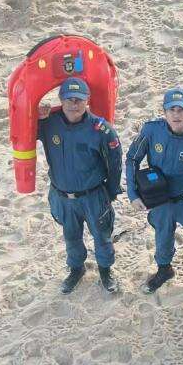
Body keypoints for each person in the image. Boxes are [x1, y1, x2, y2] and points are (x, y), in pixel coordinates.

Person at [125, 87, 183, 306]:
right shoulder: (151, 131)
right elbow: (132, 159)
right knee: (162, 238)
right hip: (160, 200)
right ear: (164, 112)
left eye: (181, 110)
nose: (176, 114)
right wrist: (133, 193)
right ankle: (164, 270)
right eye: (172, 110)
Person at [37, 77, 123, 294]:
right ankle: (76, 269)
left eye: (79, 99)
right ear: (61, 99)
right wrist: (36, 116)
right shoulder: (48, 123)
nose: (74, 104)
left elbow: (115, 163)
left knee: (102, 236)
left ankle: (105, 271)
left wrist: (111, 191)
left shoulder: (101, 130)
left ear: (87, 101)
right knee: (71, 236)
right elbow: (22, 133)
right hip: (63, 197)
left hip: (93, 196)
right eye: (69, 99)